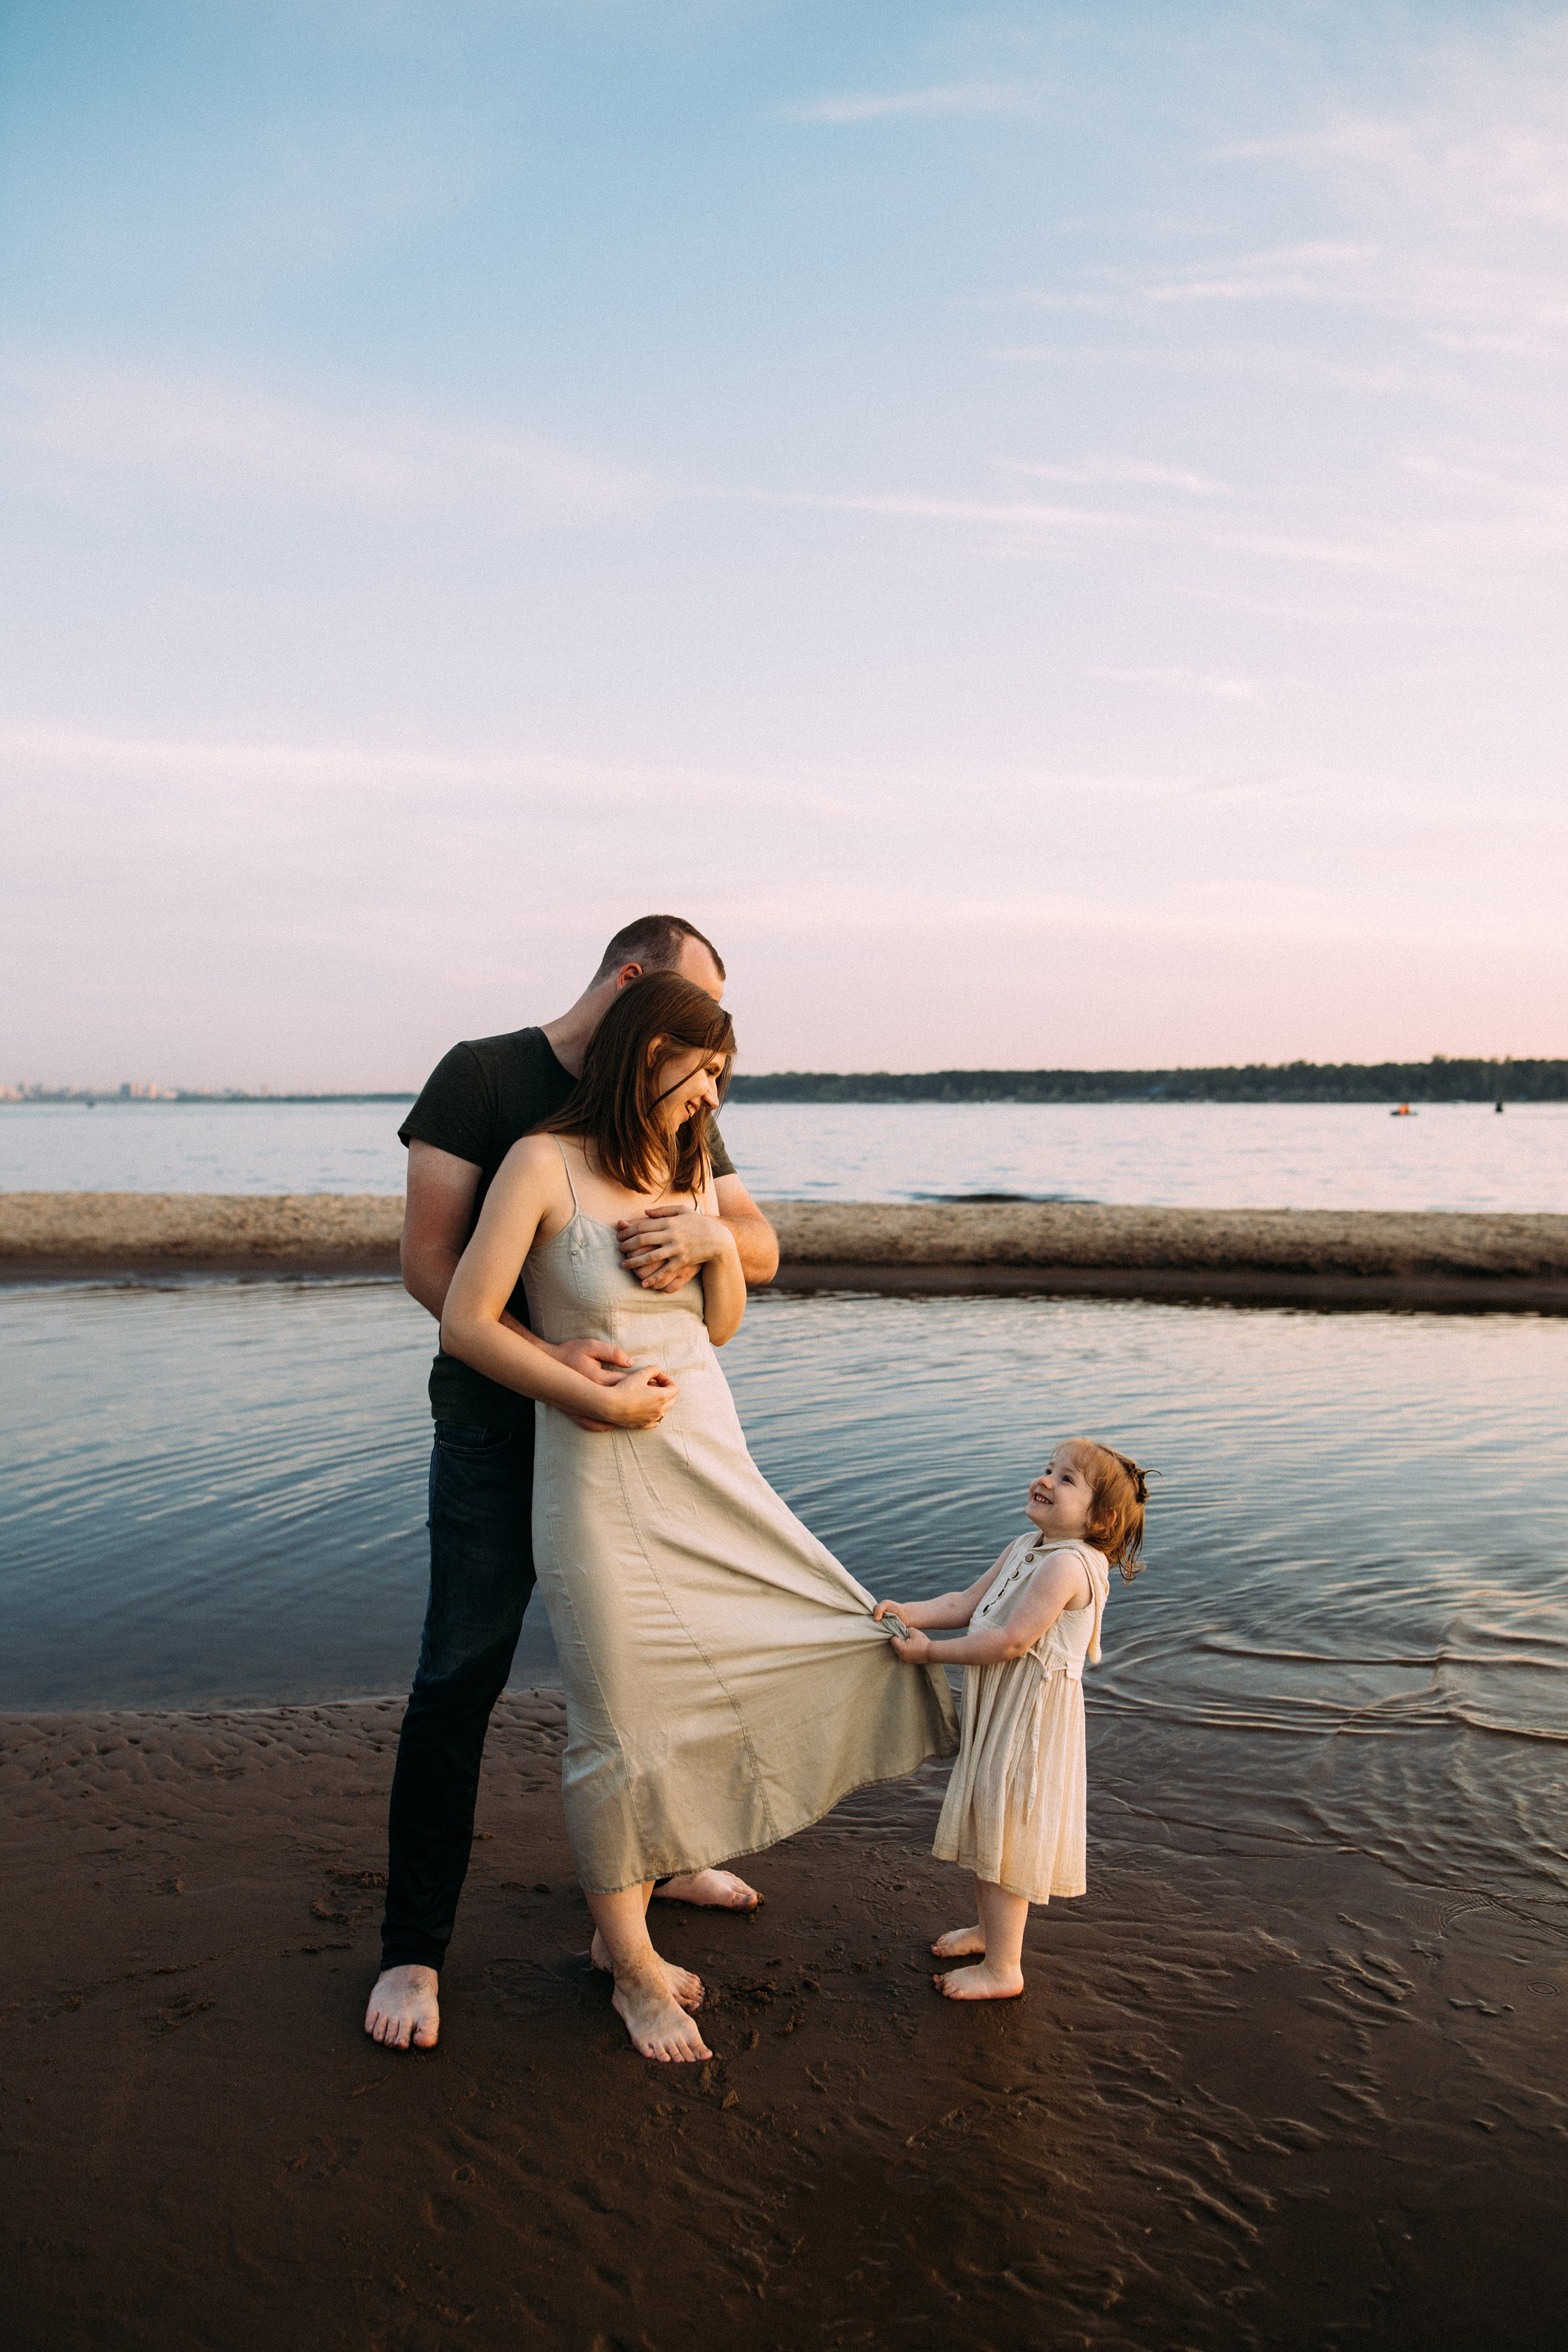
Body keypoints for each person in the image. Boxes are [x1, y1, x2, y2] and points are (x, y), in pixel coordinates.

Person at [435, 972, 958, 2061]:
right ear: (644, 1051)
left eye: (723, 1073)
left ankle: (658, 1884)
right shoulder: (542, 1162)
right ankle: (627, 1966)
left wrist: (717, 1243)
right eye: (700, 1067)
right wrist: (589, 1394)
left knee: (811, 1633)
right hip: (593, 1472)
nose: (712, 1093)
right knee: (618, 1723)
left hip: (710, 1458)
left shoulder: (685, 1166)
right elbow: (465, 1321)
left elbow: (720, 1326)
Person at [366, 917, 780, 2055]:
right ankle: (414, 1947)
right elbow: (430, 1268)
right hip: (499, 1435)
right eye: (689, 1021)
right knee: (462, 1673)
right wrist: (561, 1371)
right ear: (639, 992)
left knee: (666, 1666)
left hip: (647, 1437)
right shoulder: (487, 1076)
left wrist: (709, 1237)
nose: (703, 1058)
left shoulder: (675, 1106)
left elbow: (754, 1246)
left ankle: (651, 1870)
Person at [874, 1441, 1149, 2001]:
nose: (1045, 1480)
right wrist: (911, 1612)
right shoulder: (1029, 1546)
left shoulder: (1069, 1566)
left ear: (1102, 1519)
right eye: (1048, 1469)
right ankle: (988, 1933)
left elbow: (1011, 1641)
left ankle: (1005, 1969)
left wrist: (930, 1655)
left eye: (1067, 1479)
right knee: (989, 1821)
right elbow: (969, 1604)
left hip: (1031, 1722)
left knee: (1009, 1831)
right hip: (1004, 1712)